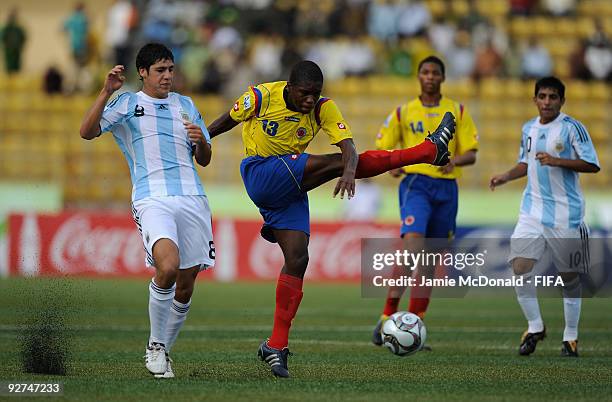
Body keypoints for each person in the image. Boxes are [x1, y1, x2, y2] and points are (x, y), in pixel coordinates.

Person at [207, 60, 456, 378]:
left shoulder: (324, 108)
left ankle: (276, 345)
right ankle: (425, 151)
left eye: (316, 94)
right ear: (290, 88)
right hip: (261, 171)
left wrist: (350, 172)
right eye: (305, 94)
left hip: (290, 190)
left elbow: (349, 149)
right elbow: (225, 122)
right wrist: (198, 138)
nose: (310, 100)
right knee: (330, 164)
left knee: (298, 258)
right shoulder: (261, 96)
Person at [79, 43, 215, 378]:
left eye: (170, 69)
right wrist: (105, 91)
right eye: (160, 70)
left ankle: (163, 351)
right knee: (166, 268)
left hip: (192, 198)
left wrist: (202, 141)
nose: (168, 76)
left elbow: (205, 158)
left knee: (186, 282)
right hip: (152, 198)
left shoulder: (186, 105)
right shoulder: (126, 103)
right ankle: (155, 346)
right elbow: (87, 132)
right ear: (143, 72)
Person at [371, 56, 479, 348]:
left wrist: (453, 160)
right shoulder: (403, 112)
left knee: (430, 262)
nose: (430, 77)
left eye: (435, 73)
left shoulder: (457, 110)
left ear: (443, 78)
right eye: (425, 72)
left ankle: (417, 321)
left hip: (446, 189)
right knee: (412, 248)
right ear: (418, 77)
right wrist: (390, 164)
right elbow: (382, 146)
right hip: (416, 185)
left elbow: (471, 152)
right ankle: (386, 317)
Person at [490, 76, 600, 357]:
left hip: (566, 214)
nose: (547, 102)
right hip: (532, 210)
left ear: (562, 101)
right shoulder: (528, 127)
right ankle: (535, 326)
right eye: (542, 96)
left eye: (553, 97)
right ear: (535, 99)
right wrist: (505, 176)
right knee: (520, 267)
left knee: (569, 277)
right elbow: (525, 163)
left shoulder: (573, 128)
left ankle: (570, 337)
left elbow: (592, 164)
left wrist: (558, 161)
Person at [1, 8, 27, 74]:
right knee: (9, 67)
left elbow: (23, 37)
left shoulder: (18, 29)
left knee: (16, 67)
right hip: (9, 51)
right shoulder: (6, 28)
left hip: (16, 50)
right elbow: (2, 38)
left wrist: (20, 45)